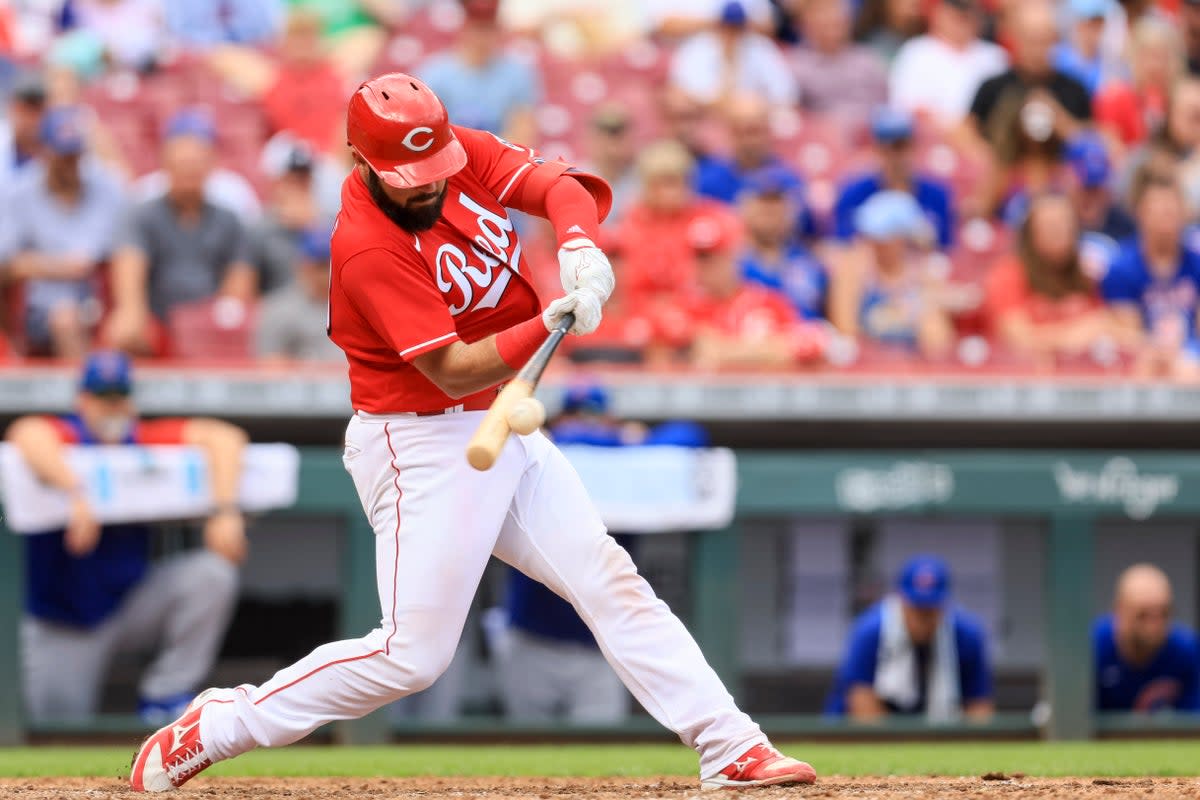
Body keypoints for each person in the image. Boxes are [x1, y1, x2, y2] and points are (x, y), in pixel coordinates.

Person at [129, 72, 816, 792]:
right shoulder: (364, 246)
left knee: (607, 577)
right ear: (362, 163)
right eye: (408, 177)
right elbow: (451, 371)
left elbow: (560, 188)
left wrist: (578, 244)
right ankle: (218, 726)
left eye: (434, 171)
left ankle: (729, 744)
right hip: (417, 438)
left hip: (497, 423)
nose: (427, 187)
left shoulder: (456, 152)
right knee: (411, 657)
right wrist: (549, 318)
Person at [8, 351, 247, 724]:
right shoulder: (66, 434)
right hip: (64, 622)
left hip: (131, 603)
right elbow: (26, 433)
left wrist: (225, 510)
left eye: (119, 396)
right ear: (82, 401)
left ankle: (166, 692)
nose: (111, 406)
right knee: (53, 726)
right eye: (102, 397)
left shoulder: (141, 439)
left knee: (210, 574)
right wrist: (75, 494)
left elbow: (224, 437)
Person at [106, 113, 257, 356]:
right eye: (182, 165)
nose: (189, 172)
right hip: (158, 319)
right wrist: (133, 313)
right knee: (124, 331)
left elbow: (239, 283)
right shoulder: (142, 213)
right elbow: (129, 273)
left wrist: (213, 322)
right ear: (166, 164)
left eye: (195, 165)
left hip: (208, 322)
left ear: (210, 165)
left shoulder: (228, 219)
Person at [0, 105, 125, 357]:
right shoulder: (20, 193)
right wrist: (58, 267)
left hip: (99, 300)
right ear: (43, 152)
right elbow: (6, 264)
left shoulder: (106, 188)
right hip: (37, 309)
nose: (70, 163)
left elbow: (129, 248)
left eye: (75, 155)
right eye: (62, 155)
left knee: (127, 330)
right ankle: (88, 393)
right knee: (65, 318)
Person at [647, 210, 827, 368]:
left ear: (734, 256)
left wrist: (727, 351)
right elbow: (658, 359)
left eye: (714, 256)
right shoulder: (680, 308)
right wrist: (765, 350)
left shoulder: (766, 301)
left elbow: (812, 344)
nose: (706, 266)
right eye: (700, 258)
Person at [826, 555, 994, 722]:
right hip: (855, 735)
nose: (923, 619)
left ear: (945, 605)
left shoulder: (966, 635)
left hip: (935, 733)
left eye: (930, 610)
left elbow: (978, 705)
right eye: (917, 609)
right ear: (900, 600)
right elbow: (862, 704)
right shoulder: (870, 630)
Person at [983, 193, 1116, 366]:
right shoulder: (1008, 274)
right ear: (1030, 233)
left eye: (1066, 224)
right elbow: (1017, 338)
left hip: (1080, 375)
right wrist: (1074, 336)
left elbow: (1107, 326)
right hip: (1021, 375)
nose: (1060, 231)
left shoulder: (1085, 274)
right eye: (1050, 225)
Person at [827, 191, 958, 358]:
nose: (875, 243)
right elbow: (845, 329)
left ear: (902, 238)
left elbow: (939, 339)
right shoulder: (854, 269)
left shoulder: (923, 273)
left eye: (882, 237)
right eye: (871, 235)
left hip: (913, 368)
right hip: (866, 366)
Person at [1102, 174, 1200, 378]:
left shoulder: (1196, 263)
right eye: (1159, 211)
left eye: (1171, 211)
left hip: (1190, 355)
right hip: (1143, 356)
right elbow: (1128, 333)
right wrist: (1159, 353)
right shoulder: (1121, 268)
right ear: (1140, 214)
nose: (1166, 217)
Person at [417, 0, 541, 144]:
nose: (482, 37)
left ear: (498, 29)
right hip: (451, 157)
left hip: (500, 159)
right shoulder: (435, 73)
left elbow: (523, 134)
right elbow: (426, 132)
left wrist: (487, 157)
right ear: (464, 27)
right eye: (477, 27)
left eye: (488, 28)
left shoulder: (517, 74)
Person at [833, 108, 955, 249]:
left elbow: (947, 251)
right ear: (876, 150)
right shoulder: (853, 194)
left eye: (899, 147)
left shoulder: (937, 195)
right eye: (886, 149)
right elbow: (840, 247)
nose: (893, 157)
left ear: (912, 147)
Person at [1095, 564, 1200, 712]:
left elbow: (1193, 722)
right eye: (1143, 615)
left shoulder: (1188, 649)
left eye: (1163, 613)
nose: (1154, 626)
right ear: (1119, 610)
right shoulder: (1092, 647)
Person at [887, 0, 1007, 127]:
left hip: (983, 138)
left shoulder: (995, 56)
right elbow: (905, 110)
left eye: (967, 13)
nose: (960, 19)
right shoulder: (915, 52)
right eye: (954, 13)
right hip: (932, 142)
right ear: (938, 13)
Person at [738, 166, 828, 320]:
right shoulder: (732, 264)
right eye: (763, 202)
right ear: (745, 208)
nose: (771, 211)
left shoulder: (810, 262)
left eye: (778, 202)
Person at [667, 1, 796, 108]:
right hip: (706, 120)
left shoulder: (761, 48)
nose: (732, 32)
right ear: (718, 25)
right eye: (727, 26)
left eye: (737, 27)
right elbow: (685, 95)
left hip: (750, 121)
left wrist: (751, 105)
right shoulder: (696, 49)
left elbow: (786, 94)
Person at [694, 93, 805, 207]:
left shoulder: (787, 180)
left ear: (767, 131)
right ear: (729, 132)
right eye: (739, 131)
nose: (748, 141)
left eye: (754, 131)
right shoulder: (706, 179)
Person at [255, 227, 344, 363]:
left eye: (335, 262)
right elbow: (268, 364)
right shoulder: (279, 308)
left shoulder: (360, 304)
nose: (329, 271)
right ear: (303, 264)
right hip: (304, 382)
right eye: (322, 265)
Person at [790, 0, 887, 121]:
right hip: (823, 134)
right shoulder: (797, 67)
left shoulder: (868, 60)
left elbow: (886, 103)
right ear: (806, 26)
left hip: (872, 132)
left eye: (837, 20)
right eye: (824, 20)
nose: (831, 21)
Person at [1093, 17, 1182, 149]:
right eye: (1148, 55)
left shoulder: (1181, 100)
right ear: (1134, 56)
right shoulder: (1113, 98)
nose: (1156, 65)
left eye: (1162, 56)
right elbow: (1113, 152)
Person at [1063, 134, 1136, 242]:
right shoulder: (1054, 224)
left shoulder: (1126, 227)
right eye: (1086, 188)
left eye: (1097, 189)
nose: (1091, 198)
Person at [1052, 0, 1120, 97]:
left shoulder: (1110, 63)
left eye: (1099, 24)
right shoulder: (1057, 58)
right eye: (1089, 24)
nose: (1094, 31)